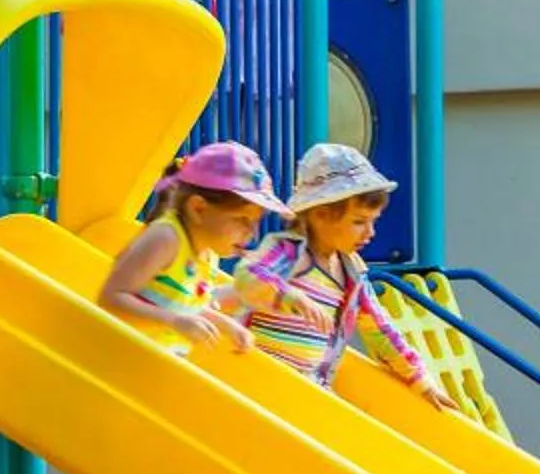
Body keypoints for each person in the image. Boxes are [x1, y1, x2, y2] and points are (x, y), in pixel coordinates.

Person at [225, 144, 454, 408]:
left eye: (373, 221)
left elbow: (380, 329)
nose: (370, 233)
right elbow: (247, 277)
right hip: (257, 379)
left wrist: (421, 380)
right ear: (321, 215)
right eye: (359, 222)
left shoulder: (351, 273)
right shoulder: (290, 253)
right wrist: (290, 296)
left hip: (305, 389)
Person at [97, 144, 279, 354]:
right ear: (198, 209)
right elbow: (111, 298)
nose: (252, 233)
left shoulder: (207, 254)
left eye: (255, 222)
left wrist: (227, 326)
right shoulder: (165, 239)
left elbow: (184, 309)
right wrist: (173, 321)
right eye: (242, 219)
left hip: (153, 370)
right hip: (116, 366)